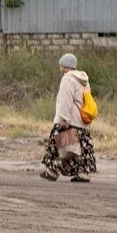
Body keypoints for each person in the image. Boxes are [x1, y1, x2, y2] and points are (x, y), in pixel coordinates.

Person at [41, 53, 96, 183]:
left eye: (60, 64)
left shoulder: (68, 79)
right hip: (82, 122)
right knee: (82, 149)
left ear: (64, 65)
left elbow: (65, 101)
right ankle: (84, 174)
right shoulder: (83, 80)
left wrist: (64, 119)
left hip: (70, 120)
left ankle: (52, 172)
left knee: (59, 147)